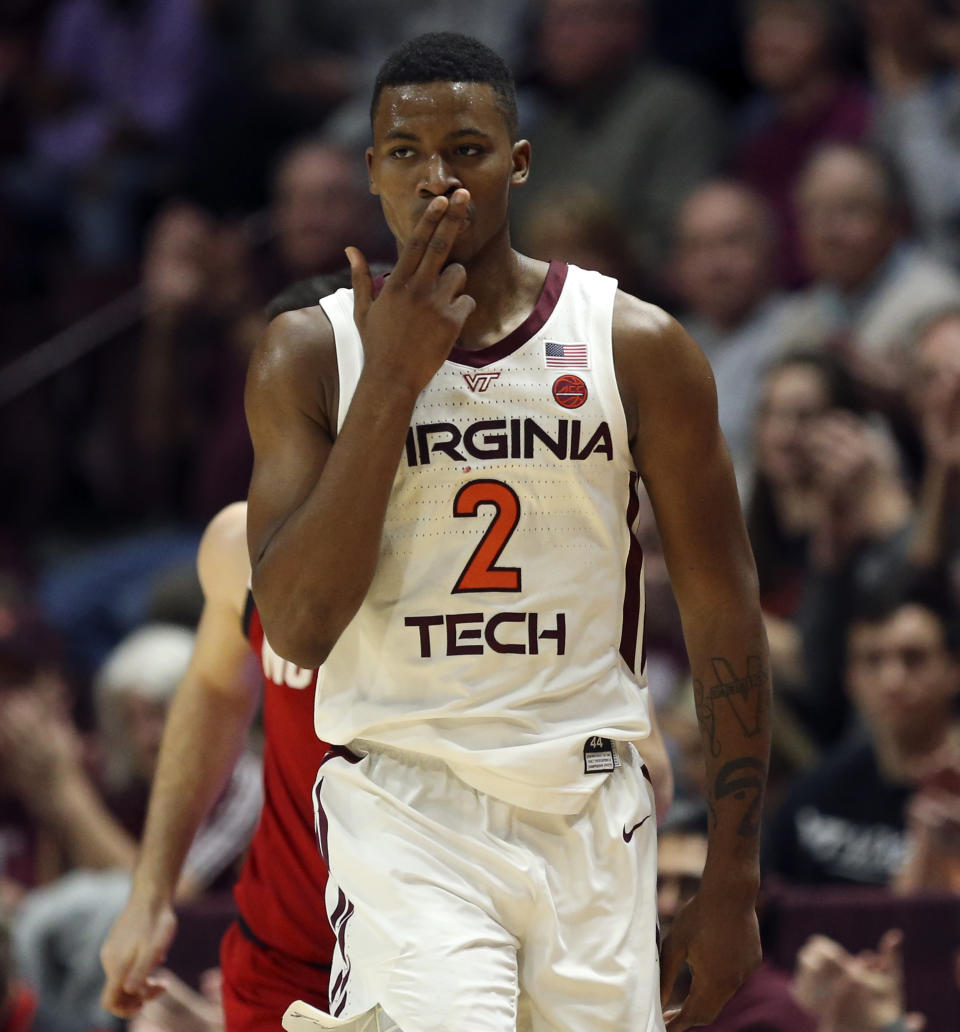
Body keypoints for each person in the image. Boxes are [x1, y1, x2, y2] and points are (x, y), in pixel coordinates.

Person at [246, 32, 770, 1032]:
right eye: (404, 152)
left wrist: (735, 879)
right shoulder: (310, 353)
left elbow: (723, 611)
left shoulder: (638, 344)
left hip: (590, 809)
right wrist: (395, 377)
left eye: (468, 149)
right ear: (370, 171)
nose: (436, 179)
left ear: (519, 162)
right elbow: (300, 628)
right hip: (409, 806)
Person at [764, 581, 960, 886]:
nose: (892, 680)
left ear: (953, 670)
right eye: (872, 660)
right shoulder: (816, 794)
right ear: (850, 679)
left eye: (914, 658)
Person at [657, 809, 815, 1032]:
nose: (665, 904)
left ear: (750, 905)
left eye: (691, 887)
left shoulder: (771, 1016)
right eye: (656, 884)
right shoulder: (617, 987)